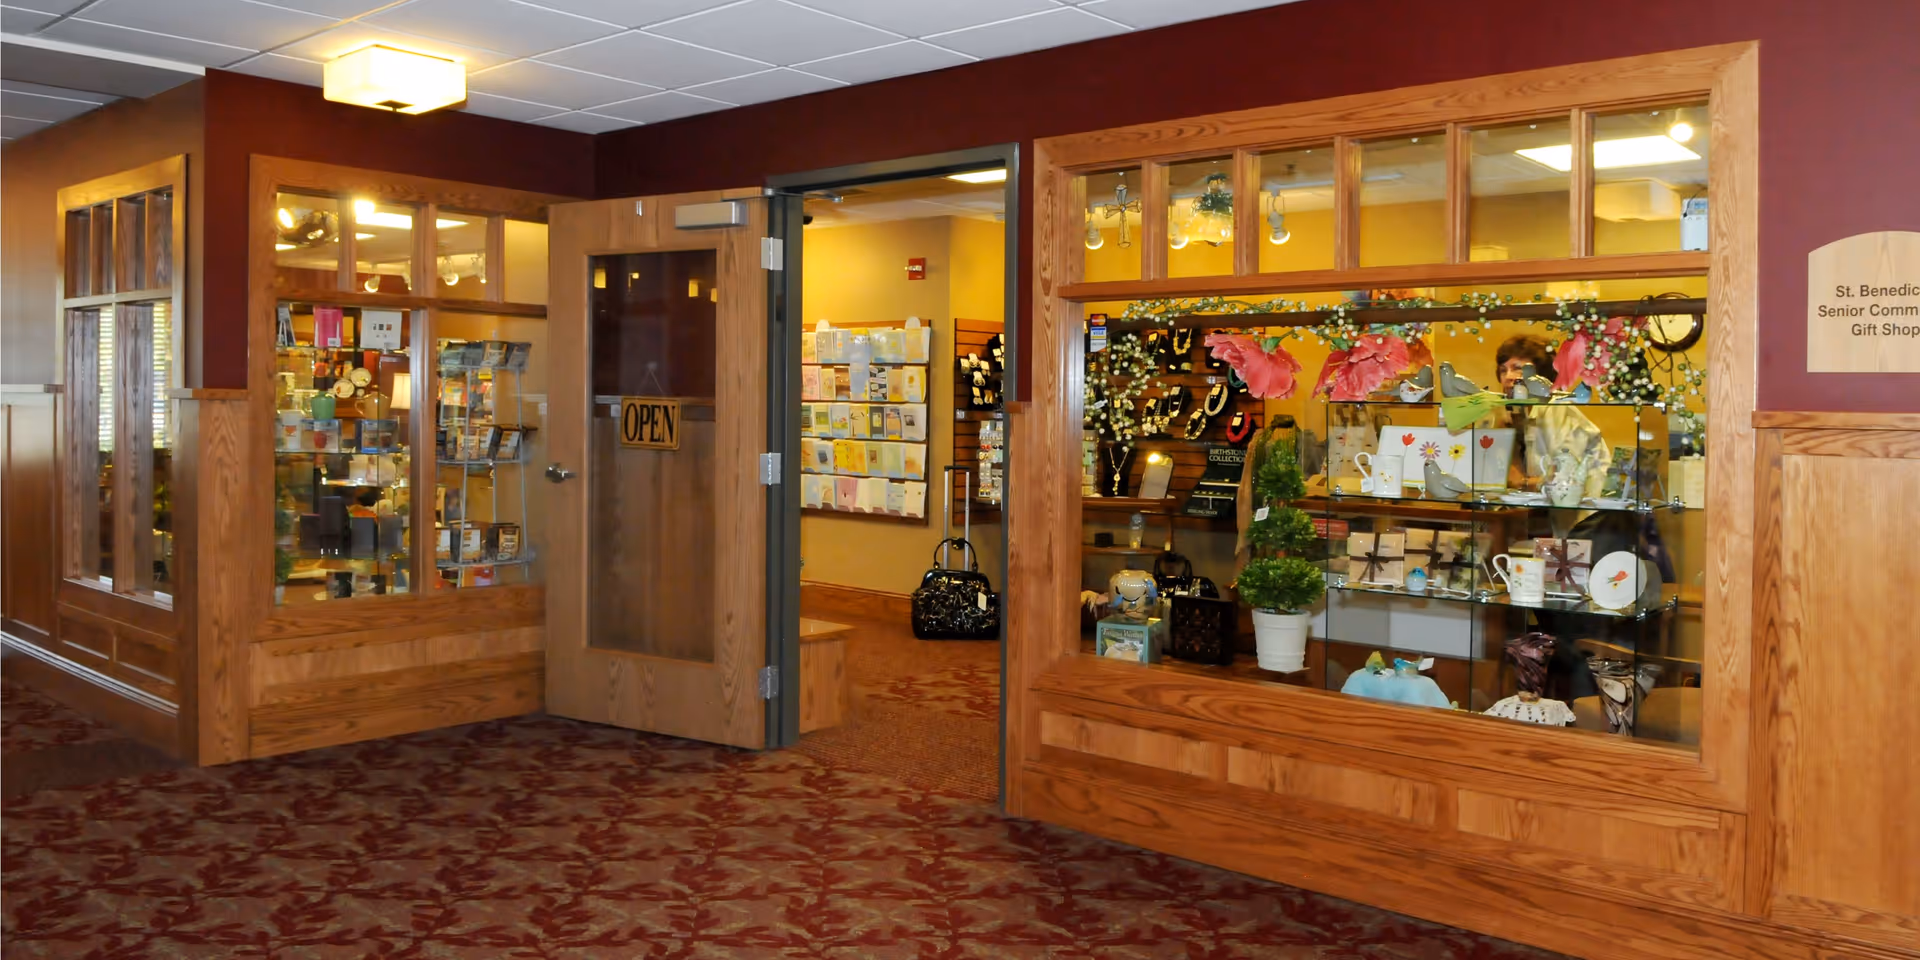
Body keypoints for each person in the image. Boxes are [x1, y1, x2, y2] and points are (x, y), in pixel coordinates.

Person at [1492, 334, 1606, 492]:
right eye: (1503, 371)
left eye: (1517, 368)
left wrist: (1522, 483)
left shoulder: (1556, 408)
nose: (1508, 377)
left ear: (1541, 374)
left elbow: (1565, 479)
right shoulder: (1517, 414)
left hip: (1588, 511)